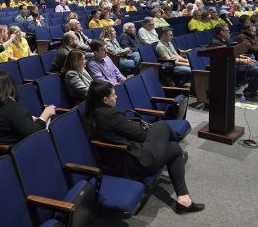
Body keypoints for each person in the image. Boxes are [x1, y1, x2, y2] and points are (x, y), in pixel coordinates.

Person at [85, 80, 204, 214]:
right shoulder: (110, 115)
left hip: (127, 158)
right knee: (162, 126)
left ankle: (184, 200)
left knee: (174, 149)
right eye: (113, 95)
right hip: (136, 161)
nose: (116, 97)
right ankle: (174, 149)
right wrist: (136, 127)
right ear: (105, 100)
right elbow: (140, 135)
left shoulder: (93, 114)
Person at [0, 70, 56, 145]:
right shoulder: (11, 107)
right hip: (16, 149)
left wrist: (29, 119)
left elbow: (9, 122)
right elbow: (32, 133)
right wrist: (45, 116)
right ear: (11, 86)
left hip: (2, 147)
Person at [210, 24, 258, 103]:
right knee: (257, 70)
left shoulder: (224, 40)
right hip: (227, 68)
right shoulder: (215, 43)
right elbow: (224, 58)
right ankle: (250, 94)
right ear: (222, 32)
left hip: (234, 63)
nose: (229, 32)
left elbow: (230, 53)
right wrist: (242, 61)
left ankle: (251, 90)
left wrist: (244, 57)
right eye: (227, 30)